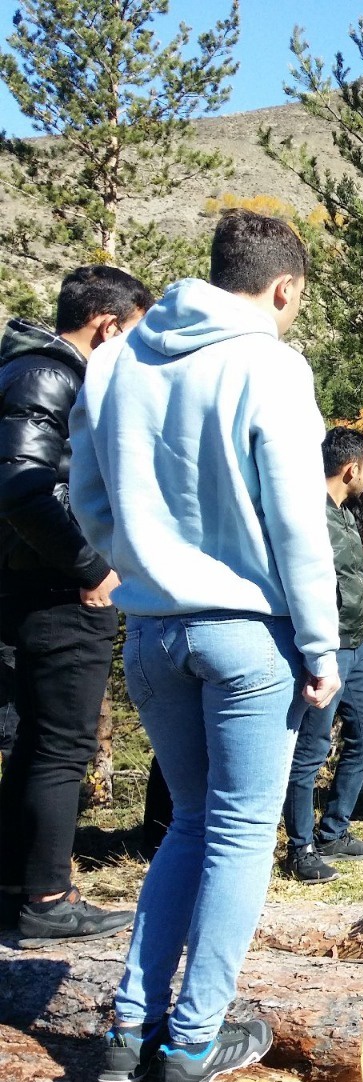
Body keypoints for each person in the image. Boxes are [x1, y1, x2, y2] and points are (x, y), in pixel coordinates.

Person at [72, 211, 339, 1082]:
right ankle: (191, 1041)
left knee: (189, 825)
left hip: (150, 631)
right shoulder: (271, 363)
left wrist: (136, 563)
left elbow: (86, 496)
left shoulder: (117, 359)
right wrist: (320, 642)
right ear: (283, 288)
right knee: (239, 832)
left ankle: (127, 1028)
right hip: (246, 634)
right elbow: (300, 521)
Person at [0, 264, 151, 941]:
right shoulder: (51, 376)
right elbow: (25, 490)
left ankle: (20, 889)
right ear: (107, 325)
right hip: (61, 590)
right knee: (61, 747)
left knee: (38, 744)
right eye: (134, 336)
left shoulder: (32, 372)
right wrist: (93, 565)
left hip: (41, 581)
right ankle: (47, 900)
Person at [281, 428, 363, 884]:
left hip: (356, 645)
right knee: (310, 751)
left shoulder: (344, 513)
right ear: (350, 469)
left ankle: (333, 832)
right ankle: (299, 848)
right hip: (327, 649)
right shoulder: (311, 516)